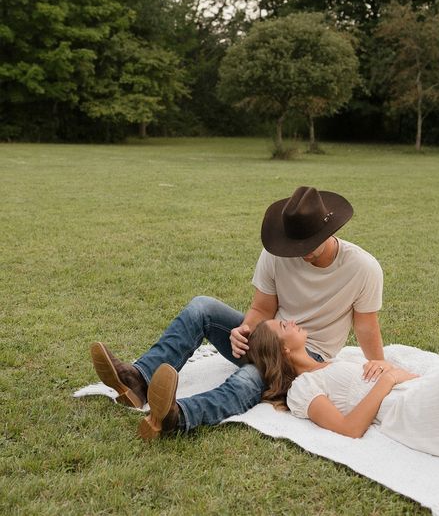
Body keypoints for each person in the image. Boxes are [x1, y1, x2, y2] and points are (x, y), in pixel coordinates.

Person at [91, 185, 386, 438]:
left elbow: (366, 327)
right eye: (296, 244)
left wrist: (381, 366)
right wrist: (244, 330)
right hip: (268, 335)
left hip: (306, 356)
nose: (301, 251)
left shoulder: (362, 268)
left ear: (329, 229)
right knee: (202, 306)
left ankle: (177, 416)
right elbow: (262, 308)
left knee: (248, 379)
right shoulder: (277, 253)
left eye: (308, 244)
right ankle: (139, 380)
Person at [239, 320, 439, 458]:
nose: (291, 321)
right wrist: (386, 380)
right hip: (408, 411)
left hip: (419, 390)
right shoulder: (302, 388)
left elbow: (407, 376)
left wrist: (390, 372)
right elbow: (349, 429)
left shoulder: (339, 358)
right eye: (283, 325)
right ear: (284, 350)